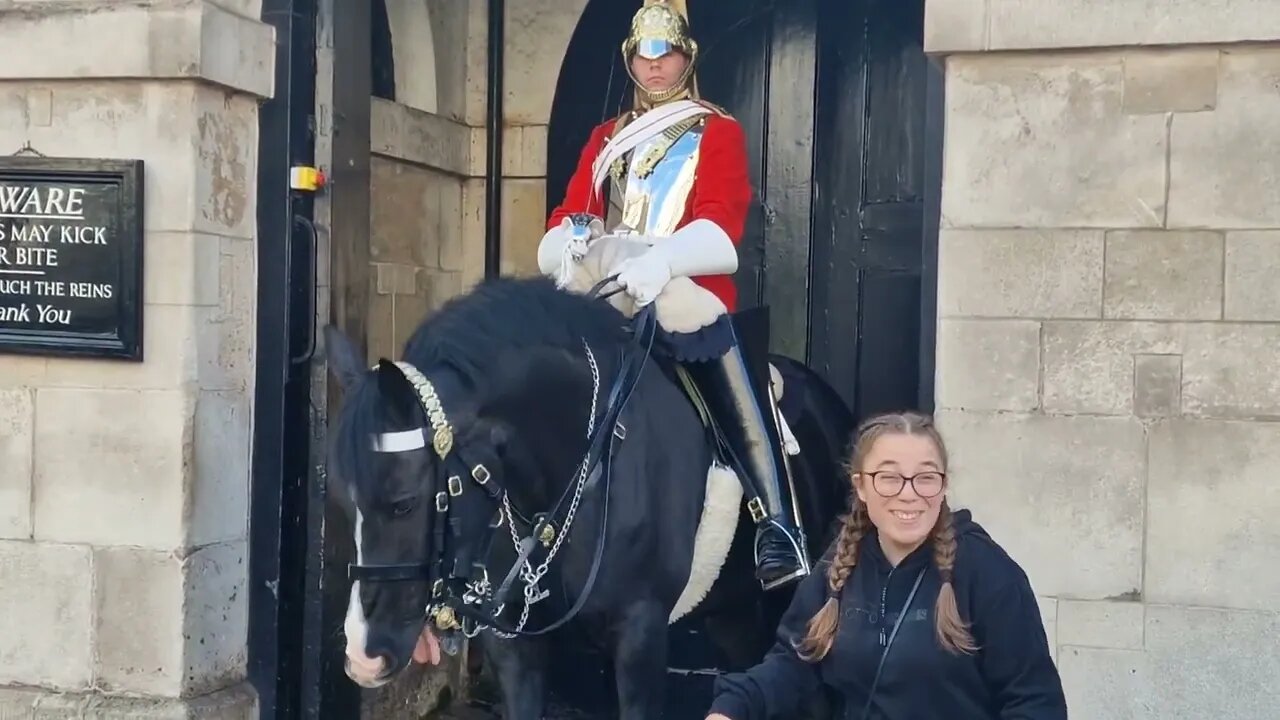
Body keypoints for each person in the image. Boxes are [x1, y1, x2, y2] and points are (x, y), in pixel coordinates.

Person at [536, 0, 810, 592]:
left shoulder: (717, 130)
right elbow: (573, 212)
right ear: (629, 59)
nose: (654, 64)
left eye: (666, 52)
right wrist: (565, 244)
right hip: (608, 281)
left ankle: (777, 524)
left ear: (687, 56)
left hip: (681, 280)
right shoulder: (606, 138)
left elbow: (720, 227)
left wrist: (660, 261)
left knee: (712, 342)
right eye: (643, 53)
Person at [705, 412, 1068, 720]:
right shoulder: (837, 566)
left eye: (925, 477)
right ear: (861, 487)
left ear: (943, 486)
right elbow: (794, 663)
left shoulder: (988, 573)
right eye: (889, 477)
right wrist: (733, 706)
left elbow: (1035, 702)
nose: (908, 493)